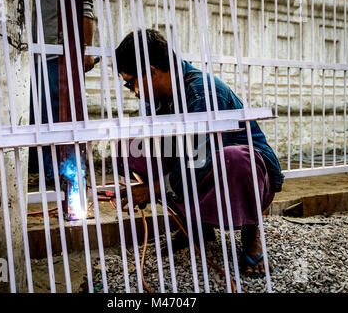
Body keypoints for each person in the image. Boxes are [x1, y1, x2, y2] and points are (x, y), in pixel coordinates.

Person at [115, 29, 284, 276]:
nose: (132, 91)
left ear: (152, 72)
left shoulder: (202, 92)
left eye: (131, 83)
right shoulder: (158, 100)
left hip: (249, 173)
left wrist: (151, 189)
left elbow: (201, 160)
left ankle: (251, 235)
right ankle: (194, 228)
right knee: (131, 148)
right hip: (201, 163)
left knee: (234, 158)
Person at [28, 0, 97, 181]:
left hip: (56, 53)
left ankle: (63, 172)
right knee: (37, 116)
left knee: (57, 115)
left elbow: (85, 7)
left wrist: (86, 49)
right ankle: (45, 172)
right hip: (29, 55)